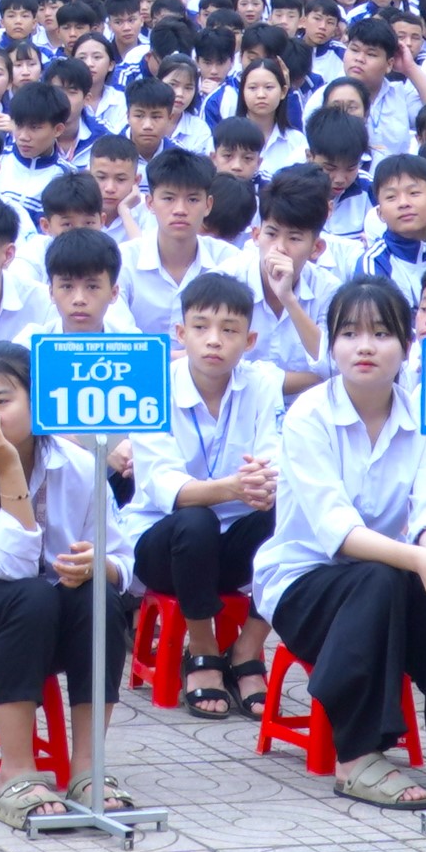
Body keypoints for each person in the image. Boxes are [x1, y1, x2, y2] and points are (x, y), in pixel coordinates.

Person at [247, 279, 426, 809]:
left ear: (407, 345)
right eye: (349, 333)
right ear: (331, 345)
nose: (365, 346)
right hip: (303, 582)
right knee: (380, 580)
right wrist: (420, 558)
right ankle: (358, 754)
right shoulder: (308, 415)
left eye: (382, 334)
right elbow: (336, 529)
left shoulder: (423, 413)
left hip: (387, 572)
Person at [0, 338, 138, 827]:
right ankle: (13, 774)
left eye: (1, 401)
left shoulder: (78, 464)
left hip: (44, 621)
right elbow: (11, 568)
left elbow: (125, 561)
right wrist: (9, 468)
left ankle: (88, 768)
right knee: (31, 594)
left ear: (39, 404)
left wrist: (99, 565)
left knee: (97, 596)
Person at [126, 272, 281, 721]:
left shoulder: (262, 383)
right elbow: (163, 485)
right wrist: (233, 487)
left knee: (292, 517)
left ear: (249, 340)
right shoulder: (154, 384)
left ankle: (248, 648)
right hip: (163, 544)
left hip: (234, 542)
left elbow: (274, 459)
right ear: (180, 333)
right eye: (201, 327)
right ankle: (202, 649)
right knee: (196, 520)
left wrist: (265, 482)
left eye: (229, 330)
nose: (214, 340)